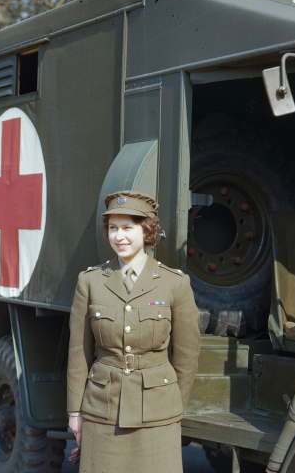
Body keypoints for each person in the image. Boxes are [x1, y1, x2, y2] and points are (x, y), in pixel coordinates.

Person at [67, 190, 202, 473]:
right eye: (113, 228)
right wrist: (75, 412)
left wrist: (171, 404)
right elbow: (79, 352)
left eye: (128, 228)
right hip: (102, 411)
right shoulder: (90, 282)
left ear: (147, 231)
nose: (120, 236)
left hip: (157, 415)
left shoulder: (174, 284)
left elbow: (188, 355)